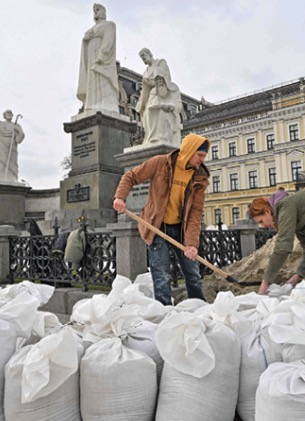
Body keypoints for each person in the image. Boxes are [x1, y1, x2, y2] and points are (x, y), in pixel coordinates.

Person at [113, 133, 210, 305]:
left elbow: (195, 212)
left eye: (204, 156)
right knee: (161, 276)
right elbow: (131, 176)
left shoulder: (199, 177)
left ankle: (199, 308)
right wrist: (120, 197)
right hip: (157, 227)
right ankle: (165, 313)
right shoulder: (160, 163)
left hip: (181, 228)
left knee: (193, 274)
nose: (202, 160)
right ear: (188, 151)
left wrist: (191, 244)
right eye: (200, 155)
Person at [77, 3, 119, 113]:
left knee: (103, 79)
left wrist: (102, 56)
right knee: (92, 81)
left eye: (98, 9)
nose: (95, 11)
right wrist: (85, 40)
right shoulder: (90, 30)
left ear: (103, 12)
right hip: (91, 57)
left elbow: (108, 40)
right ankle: (92, 104)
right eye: (94, 10)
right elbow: (85, 42)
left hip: (102, 59)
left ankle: (106, 104)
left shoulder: (109, 25)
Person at [136, 48, 182, 147]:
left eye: (144, 56)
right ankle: (151, 138)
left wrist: (156, 81)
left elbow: (166, 78)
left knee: (156, 110)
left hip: (161, 93)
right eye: (141, 59)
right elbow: (144, 90)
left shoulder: (160, 63)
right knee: (147, 112)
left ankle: (159, 137)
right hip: (150, 95)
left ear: (149, 54)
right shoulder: (145, 72)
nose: (143, 60)